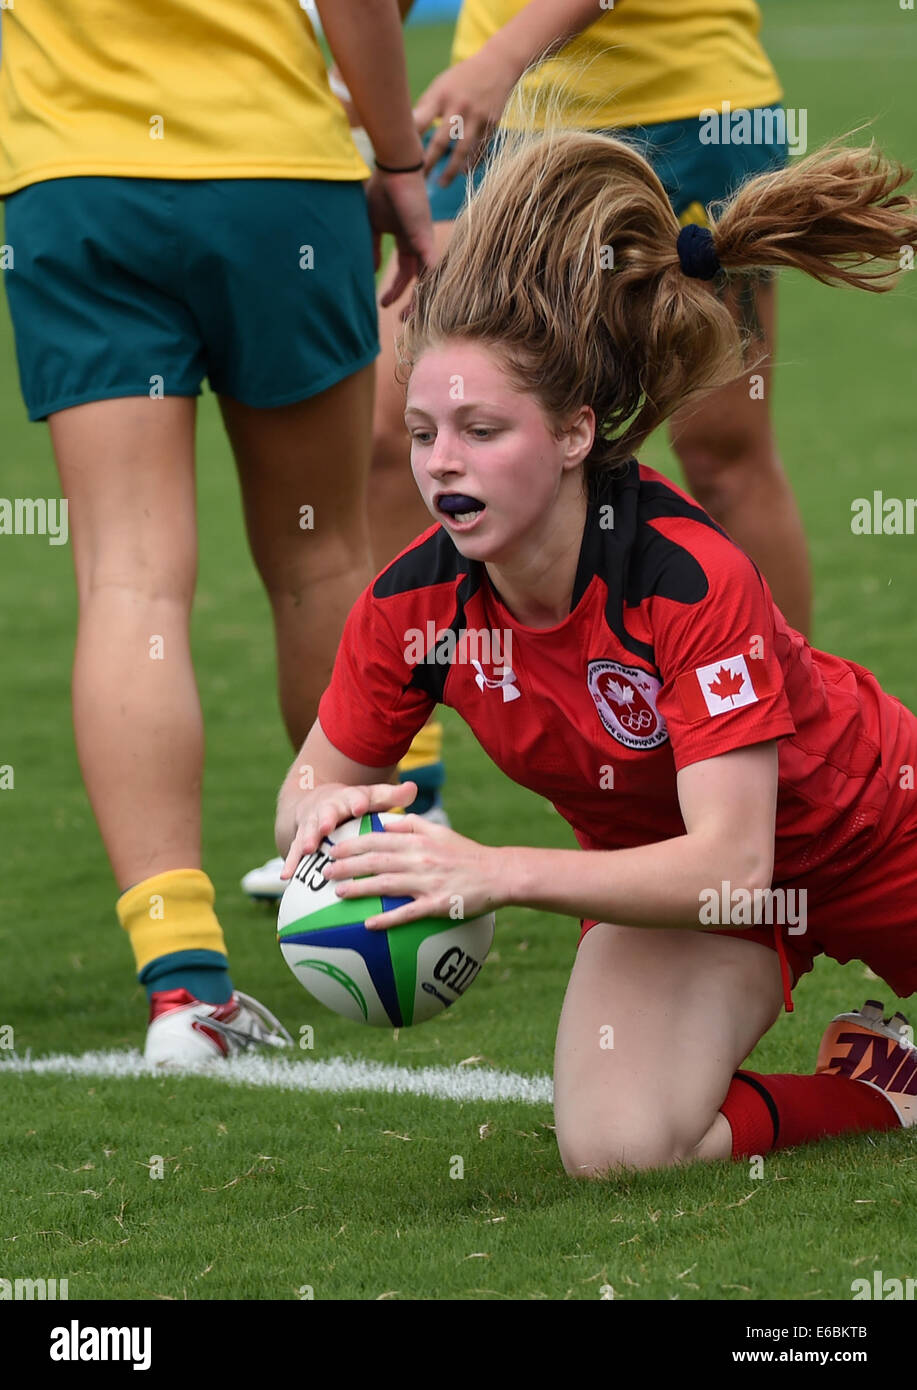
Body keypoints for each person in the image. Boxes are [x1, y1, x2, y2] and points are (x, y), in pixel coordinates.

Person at [275, 118, 917, 1173]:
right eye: (428, 433)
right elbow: (306, 789)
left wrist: (495, 871)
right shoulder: (409, 608)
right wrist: (322, 819)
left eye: (484, 433)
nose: (443, 467)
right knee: (616, 1149)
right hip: (667, 890)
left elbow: (735, 858)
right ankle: (876, 1085)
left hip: (868, 829)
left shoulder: (681, 573)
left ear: (574, 433)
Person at [0, 0, 435, 1062]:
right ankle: (377, 877)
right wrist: (401, 162)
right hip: (274, 172)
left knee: (129, 581)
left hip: (72, 180)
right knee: (318, 554)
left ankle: (184, 989)